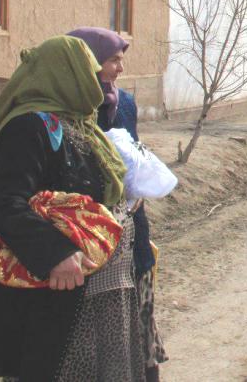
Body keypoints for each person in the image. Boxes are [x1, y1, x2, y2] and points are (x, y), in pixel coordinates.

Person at [0, 36, 145, 381]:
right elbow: (7, 204)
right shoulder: (26, 127)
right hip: (50, 291)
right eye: (88, 72)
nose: (96, 81)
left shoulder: (81, 124)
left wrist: (123, 205)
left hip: (94, 290)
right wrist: (55, 253)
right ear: (65, 74)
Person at [68, 27, 167, 381]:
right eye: (113, 60)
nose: (120, 68)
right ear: (90, 61)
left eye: (121, 60)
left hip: (131, 222)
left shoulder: (124, 103)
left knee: (137, 306)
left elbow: (134, 151)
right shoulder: (71, 106)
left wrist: (139, 186)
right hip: (89, 227)